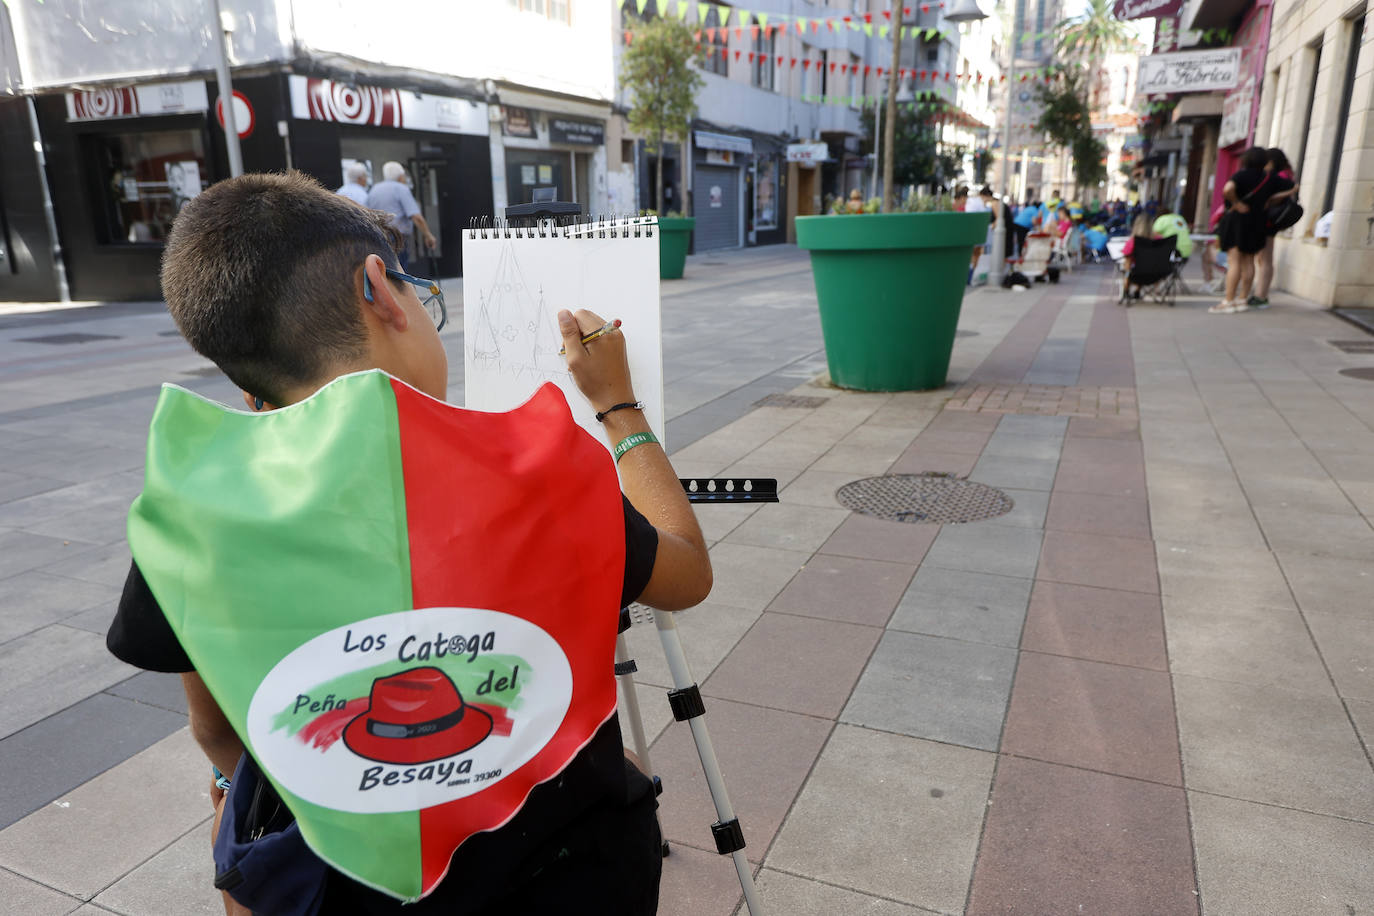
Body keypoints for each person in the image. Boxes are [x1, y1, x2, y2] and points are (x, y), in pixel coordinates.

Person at [105, 172, 712, 915]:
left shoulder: (195, 519)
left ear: (248, 383)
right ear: (379, 290)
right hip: (567, 871)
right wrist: (617, 406)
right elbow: (685, 570)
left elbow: (217, 731)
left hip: (337, 886)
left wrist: (246, 793)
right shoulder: (544, 474)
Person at [1211, 146, 1287, 314]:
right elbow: (1293, 187)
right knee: (1249, 261)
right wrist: (1271, 200)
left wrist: (1237, 203)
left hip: (1238, 222)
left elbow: (1227, 189)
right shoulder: (1269, 178)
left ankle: (1229, 300)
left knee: (1235, 261)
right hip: (1257, 223)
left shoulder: (1241, 175)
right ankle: (1243, 299)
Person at [1250, 147, 1300, 308]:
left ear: (1271, 162)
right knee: (1263, 258)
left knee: (1265, 259)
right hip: (1269, 220)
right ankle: (1260, 293)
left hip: (1269, 221)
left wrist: (1267, 198)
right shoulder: (1284, 174)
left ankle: (1261, 295)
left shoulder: (1280, 176)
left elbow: (1286, 192)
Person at [366, 161, 437, 271]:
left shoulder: (374, 189)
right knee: (400, 271)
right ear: (400, 176)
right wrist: (428, 236)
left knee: (386, 271)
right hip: (397, 237)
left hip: (379, 237)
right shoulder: (401, 189)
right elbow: (416, 216)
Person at [1120, 213, 1154, 299]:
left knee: (1128, 263)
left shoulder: (1133, 241)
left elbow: (1126, 255)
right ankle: (1137, 291)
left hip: (1136, 274)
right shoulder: (1160, 240)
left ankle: (1126, 290)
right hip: (1156, 274)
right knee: (1144, 264)